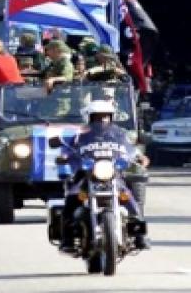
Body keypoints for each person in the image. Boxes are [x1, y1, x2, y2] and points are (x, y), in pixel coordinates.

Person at [59, 100, 150, 252]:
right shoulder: (79, 137)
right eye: (98, 117)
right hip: (86, 176)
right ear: (89, 118)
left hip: (113, 175)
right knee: (71, 201)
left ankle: (140, 237)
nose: (102, 121)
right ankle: (67, 240)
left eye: (106, 117)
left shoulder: (120, 134)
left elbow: (131, 149)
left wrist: (140, 157)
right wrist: (64, 156)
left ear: (111, 118)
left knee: (130, 201)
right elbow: (67, 150)